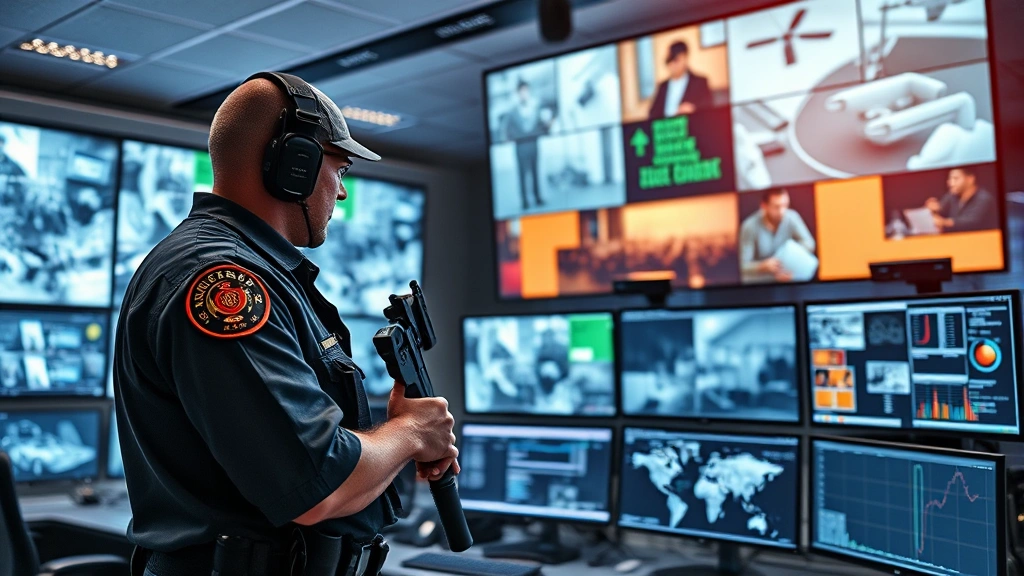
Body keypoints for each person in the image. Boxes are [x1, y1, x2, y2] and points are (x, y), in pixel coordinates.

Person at [112, 72, 458, 576]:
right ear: (295, 165)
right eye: (339, 168)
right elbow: (318, 485)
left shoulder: (252, 272)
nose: (340, 193)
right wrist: (410, 432)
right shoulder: (221, 282)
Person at [739, 189, 816, 284]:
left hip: (790, 278)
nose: (782, 211)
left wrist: (790, 253)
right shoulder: (749, 226)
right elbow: (742, 266)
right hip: (762, 283)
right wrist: (761, 267)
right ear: (764, 206)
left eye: (785, 205)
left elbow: (809, 244)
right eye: (777, 207)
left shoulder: (792, 217)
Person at [504, 79, 554, 211]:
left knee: (535, 171)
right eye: (522, 91)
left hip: (533, 144)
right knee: (522, 173)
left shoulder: (535, 109)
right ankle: (524, 200)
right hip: (520, 146)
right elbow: (508, 130)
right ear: (518, 93)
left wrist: (548, 124)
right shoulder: (513, 112)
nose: (524, 94)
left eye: (526, 91)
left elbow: (543, 127)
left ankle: (537, 197)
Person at [648, 41, 713, 120]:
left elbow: (709, 109)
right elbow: (652, 114)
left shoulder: (700, 82)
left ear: (685, 58)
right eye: (669, 60)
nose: (672, 64)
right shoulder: (662, 86)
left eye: (676, 59)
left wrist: (694, 109)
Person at [924, 166, 998, 233]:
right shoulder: (951, 196)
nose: (951, 183)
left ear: (970, 179)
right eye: (950, 179)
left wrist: (943, 222)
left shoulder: (984, 199)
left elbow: (971, 222)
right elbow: (941, 210)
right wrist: (933, 210)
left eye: (955, 178)